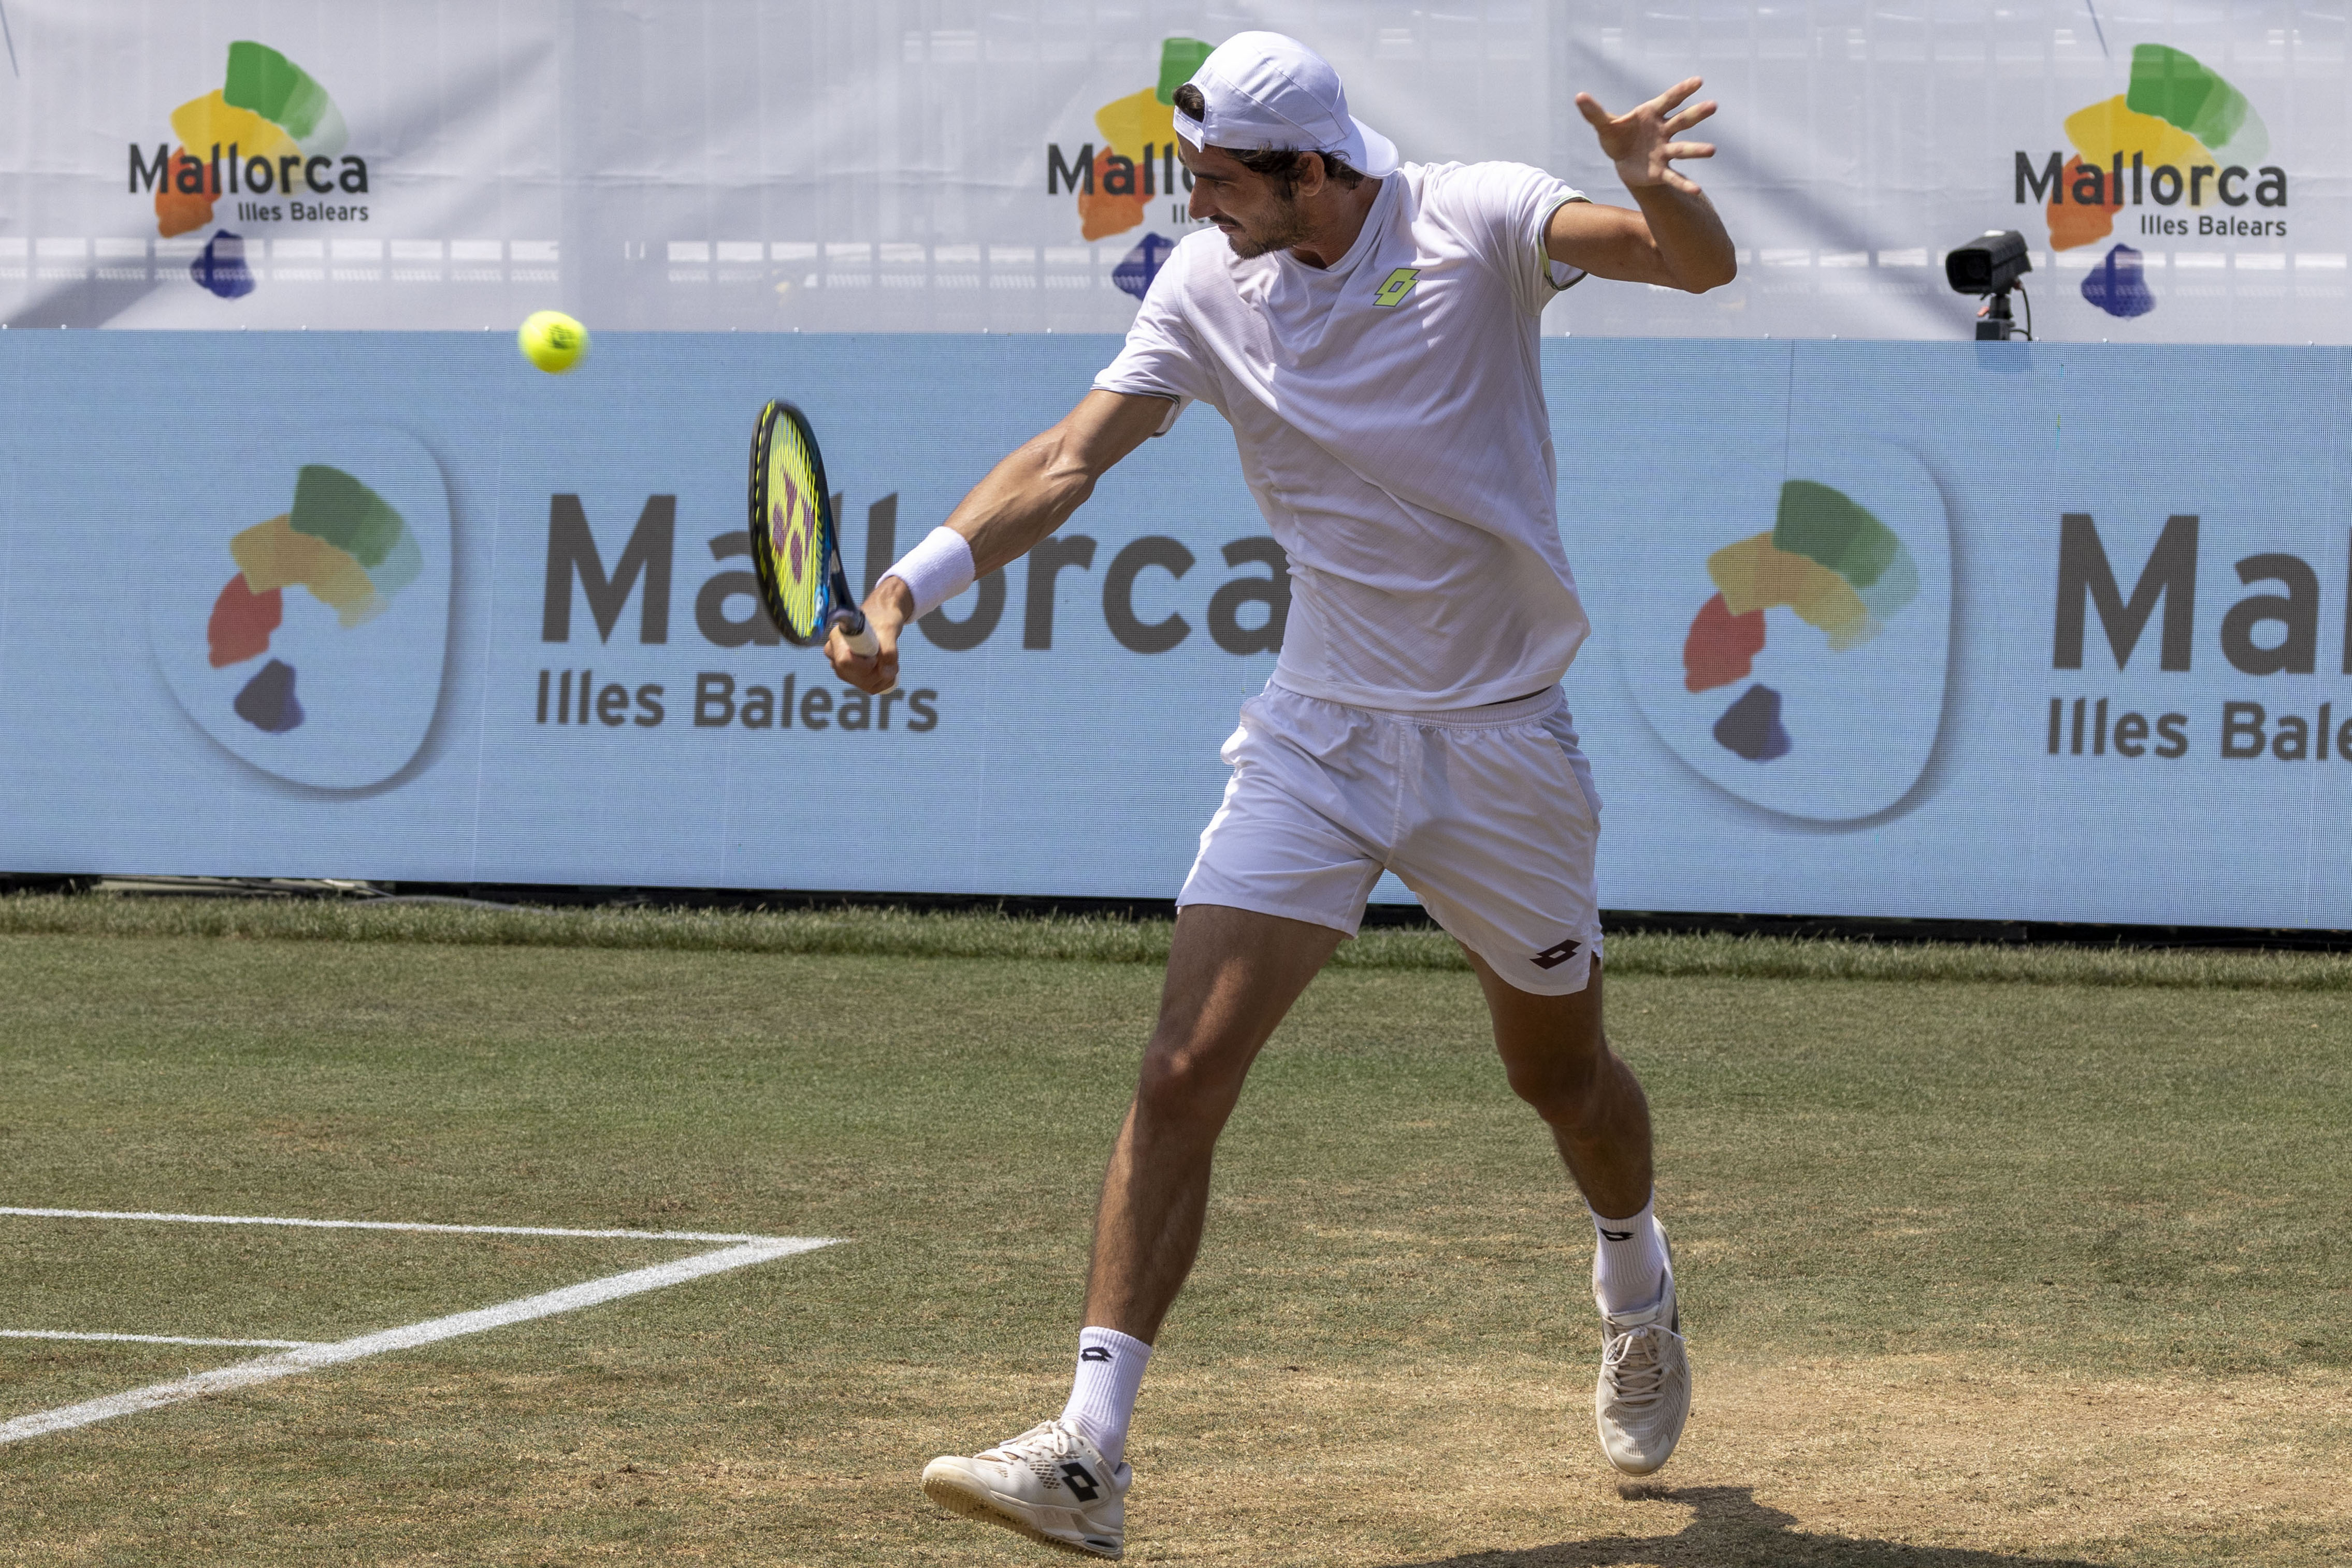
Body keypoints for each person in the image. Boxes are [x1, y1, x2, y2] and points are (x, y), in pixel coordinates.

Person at [828, 31, 1736, 1561]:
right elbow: (1066, 458)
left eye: (1220, 179)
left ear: (1312, 167)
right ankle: (1090, 1449)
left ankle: (1634, 1281)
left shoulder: (1479, 216)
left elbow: (1687, 266)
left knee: (1562, 1082)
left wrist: (1659, 192)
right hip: (1317, 734)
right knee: (1183, 1064)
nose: (1196, 205)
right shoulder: (1203, 283)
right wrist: (911, 586)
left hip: (1502, 745)